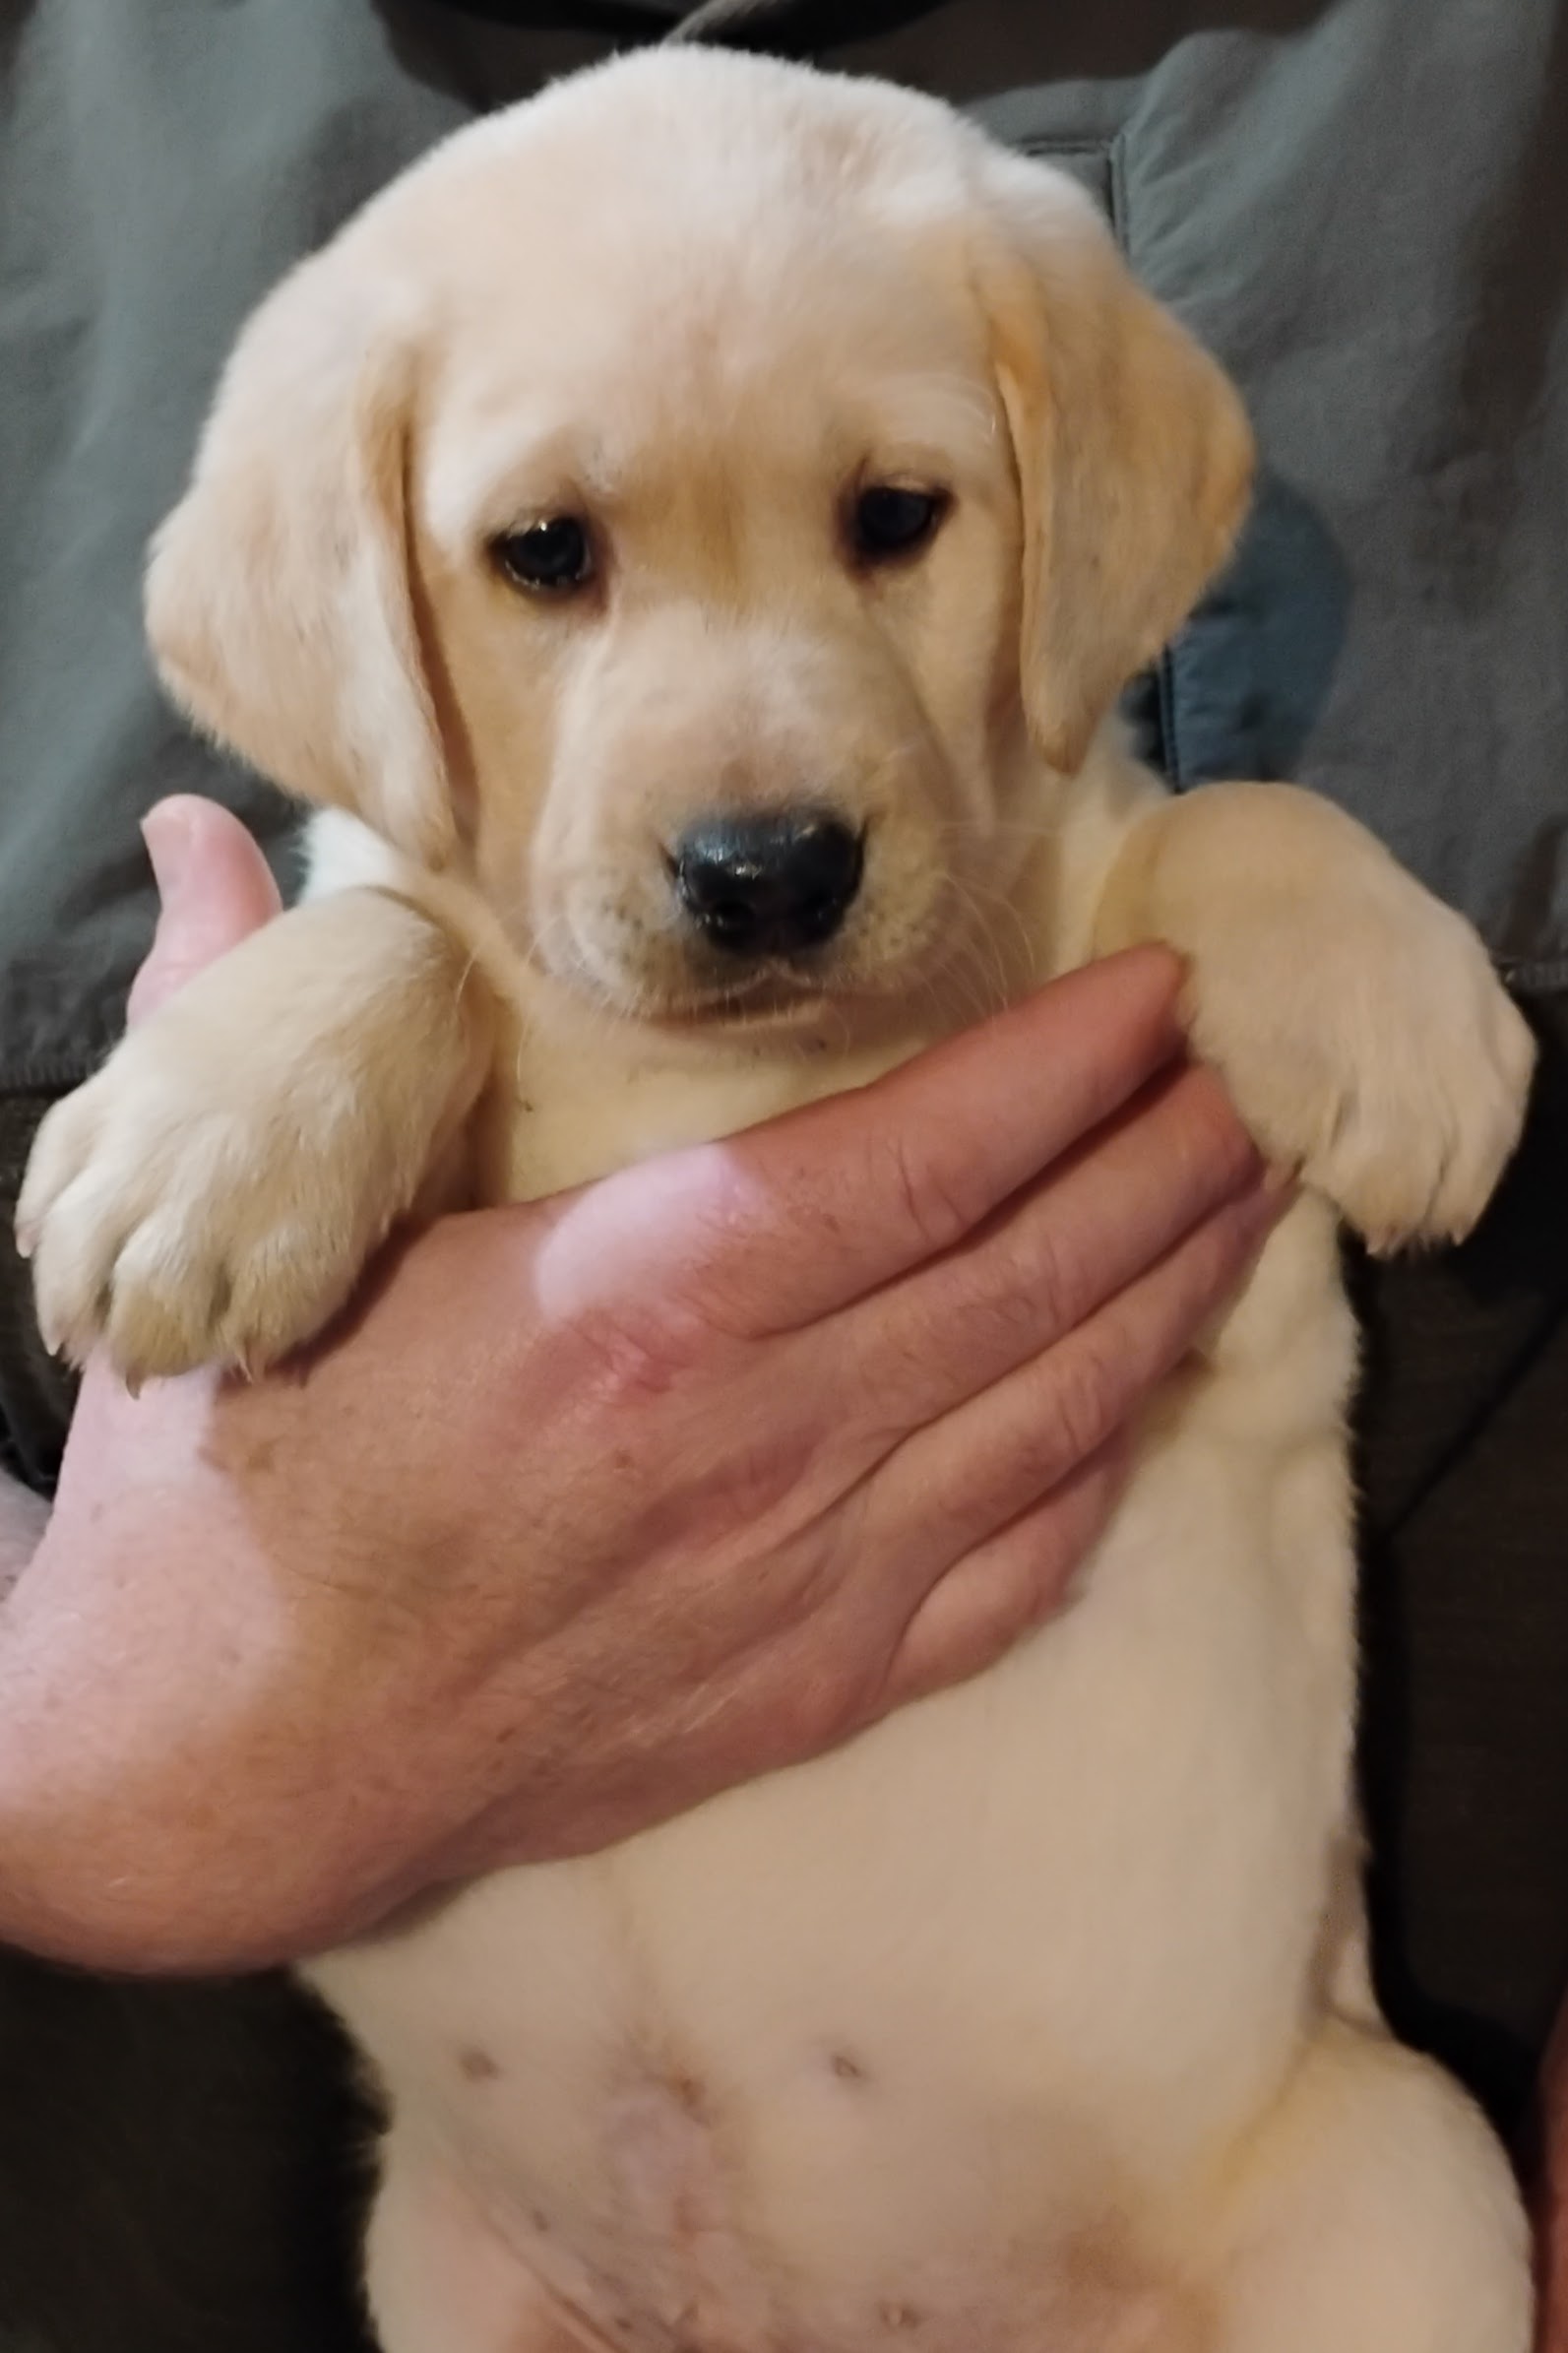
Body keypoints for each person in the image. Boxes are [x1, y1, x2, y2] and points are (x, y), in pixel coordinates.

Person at [0, 3, 1562, 2348]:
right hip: (517, 2257)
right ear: (366, 620)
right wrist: (65, 1747)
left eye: (888, 520)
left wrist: (1276, 873)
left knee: (1392, 2197)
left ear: (1065, 526)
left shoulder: (1131, 881)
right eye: (549, 552)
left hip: (1216, 2244)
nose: (760, 795)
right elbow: (380, 937)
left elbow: (1156, 885)